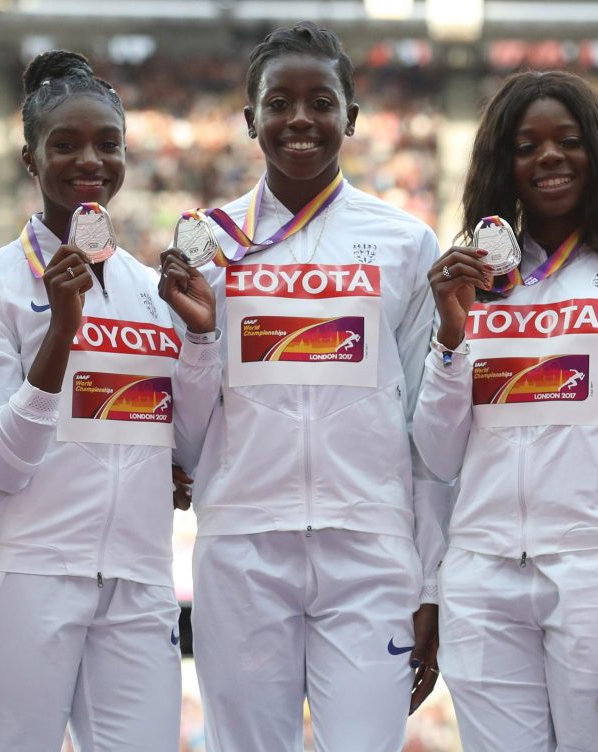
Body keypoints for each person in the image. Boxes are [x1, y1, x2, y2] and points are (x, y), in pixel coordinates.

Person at [413, 70, 598, 751]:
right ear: (502, 165)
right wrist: (452, 338)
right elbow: (435, 455)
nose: (549, 157)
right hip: (481, 580)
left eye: (568, 141)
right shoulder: (472, 284)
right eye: (526, 146)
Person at [177, 22, 448, 751]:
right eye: (279, 102)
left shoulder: (405, 241)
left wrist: (430, 580)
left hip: (371, 552)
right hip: (241, 548)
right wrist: (201, 339)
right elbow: (187, 426)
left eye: (321, 101)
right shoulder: (206, 245)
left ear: (351, 117)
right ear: (250, 119)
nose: (300, 118)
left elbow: (431, 426)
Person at [0, 50, 219, 751]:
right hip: (26, 576)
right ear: (29, 158)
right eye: (65, 144)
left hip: (138, 577)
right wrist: (61, 332)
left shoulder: (150, 289)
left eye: (108, 144)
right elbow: (1, 465)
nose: (91, 161)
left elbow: (190, 451)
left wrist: (199, 342)